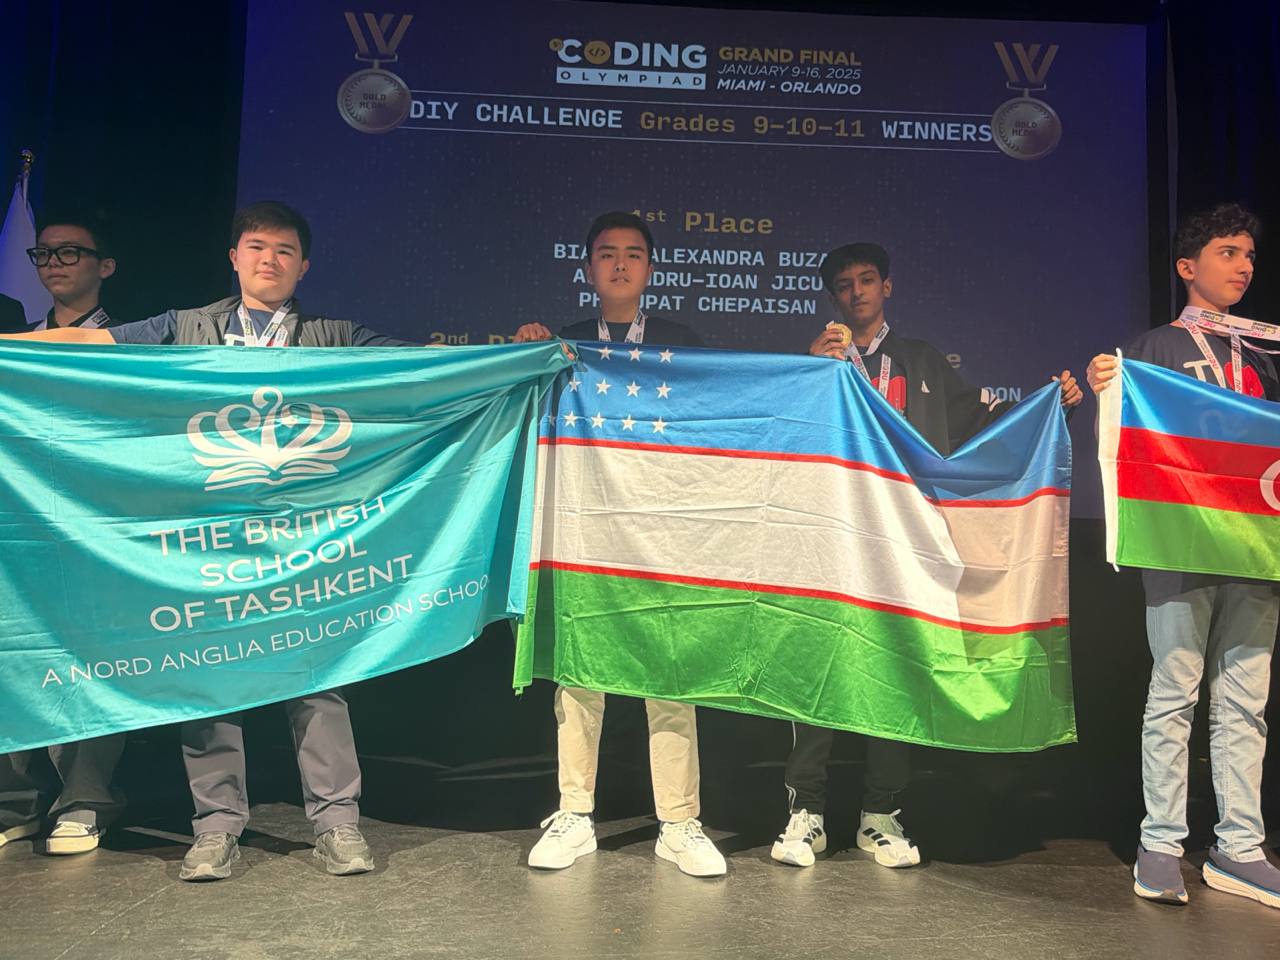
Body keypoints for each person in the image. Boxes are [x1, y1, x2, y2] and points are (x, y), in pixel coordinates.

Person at [3, 200, 418, 881]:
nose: (269, 260)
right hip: (207, 538)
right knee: (209, 679)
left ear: (303, 265)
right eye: (256, 247)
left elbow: (424, 369)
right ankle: (216, 827)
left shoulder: (335, 333)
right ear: (234, 257)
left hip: (303, 541)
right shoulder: (186, 327)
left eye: (285, 251)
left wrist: (520, 354)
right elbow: (93, 348)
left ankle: (338, 823)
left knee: (318, 681)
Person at [774, 241, 1082, 869]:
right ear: (831, 298)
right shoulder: (820, 361)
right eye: (843, 285)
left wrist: (1046, 402)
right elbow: (782, 431)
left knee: (898, 673)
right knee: (820, 673)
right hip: (829, 540)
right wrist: (806, 370)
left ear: (887, 286)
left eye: (866, 280)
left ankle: (879, 816)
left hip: (906, 545)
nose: (856, 292)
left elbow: (980, 426)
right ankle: (804, 814)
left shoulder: (922, 362)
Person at [512, 211, 725, 877]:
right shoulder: (566, 343)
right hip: (585, 534)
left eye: (635, 254)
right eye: (608, 254)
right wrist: (524, 354)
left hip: (663, 536)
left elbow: (719, 416)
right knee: (581, 674)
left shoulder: (682, 343)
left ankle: (680, 824)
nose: (622, 264)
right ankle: (575, 815)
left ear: (651, 270)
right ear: (588, 270)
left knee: (671, 678)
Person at [1087, 203, 1280, 909]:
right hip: (1178, 543)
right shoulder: (1152, 349)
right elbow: (1124, 437)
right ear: (1187, 267)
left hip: (1257, 548)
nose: (1244, 265)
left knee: (1246, 704)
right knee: (1174, 694)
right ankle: (1161, 843)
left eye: (1250, 254)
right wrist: (1108, 387)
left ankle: (1240, 846)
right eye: (1229, 252)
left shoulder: (1265, 354)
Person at [0, 211, 126, 855]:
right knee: (18, 653)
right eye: (44, 254)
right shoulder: (13, 345)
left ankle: (86, 796)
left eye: (71, 253)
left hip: (95, 524)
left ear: (104, 266)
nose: (54, 263)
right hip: (23, 523)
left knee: (91, 658)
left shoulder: (132, 348)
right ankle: (17, 798)